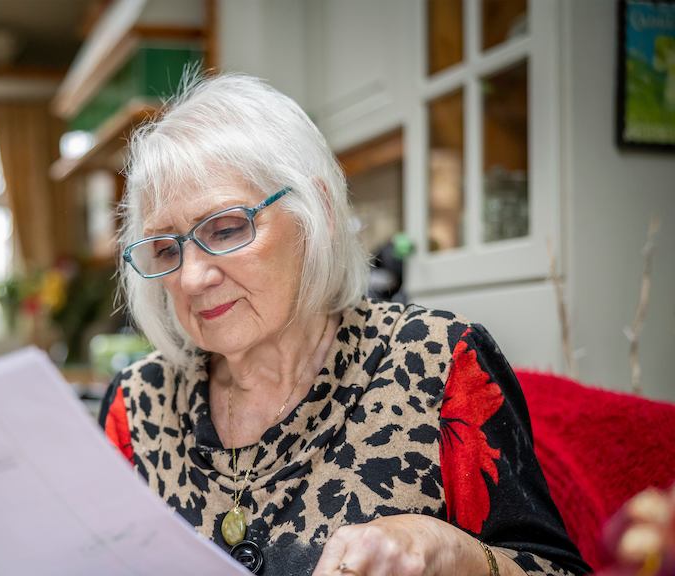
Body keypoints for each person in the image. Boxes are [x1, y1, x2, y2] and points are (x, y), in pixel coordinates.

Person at [98, 72, 589, 576]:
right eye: (165, 248)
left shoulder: (435, 361)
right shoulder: (136, 406)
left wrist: (451, 551)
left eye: (225, 229)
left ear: (320, 213)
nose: (192, 277)